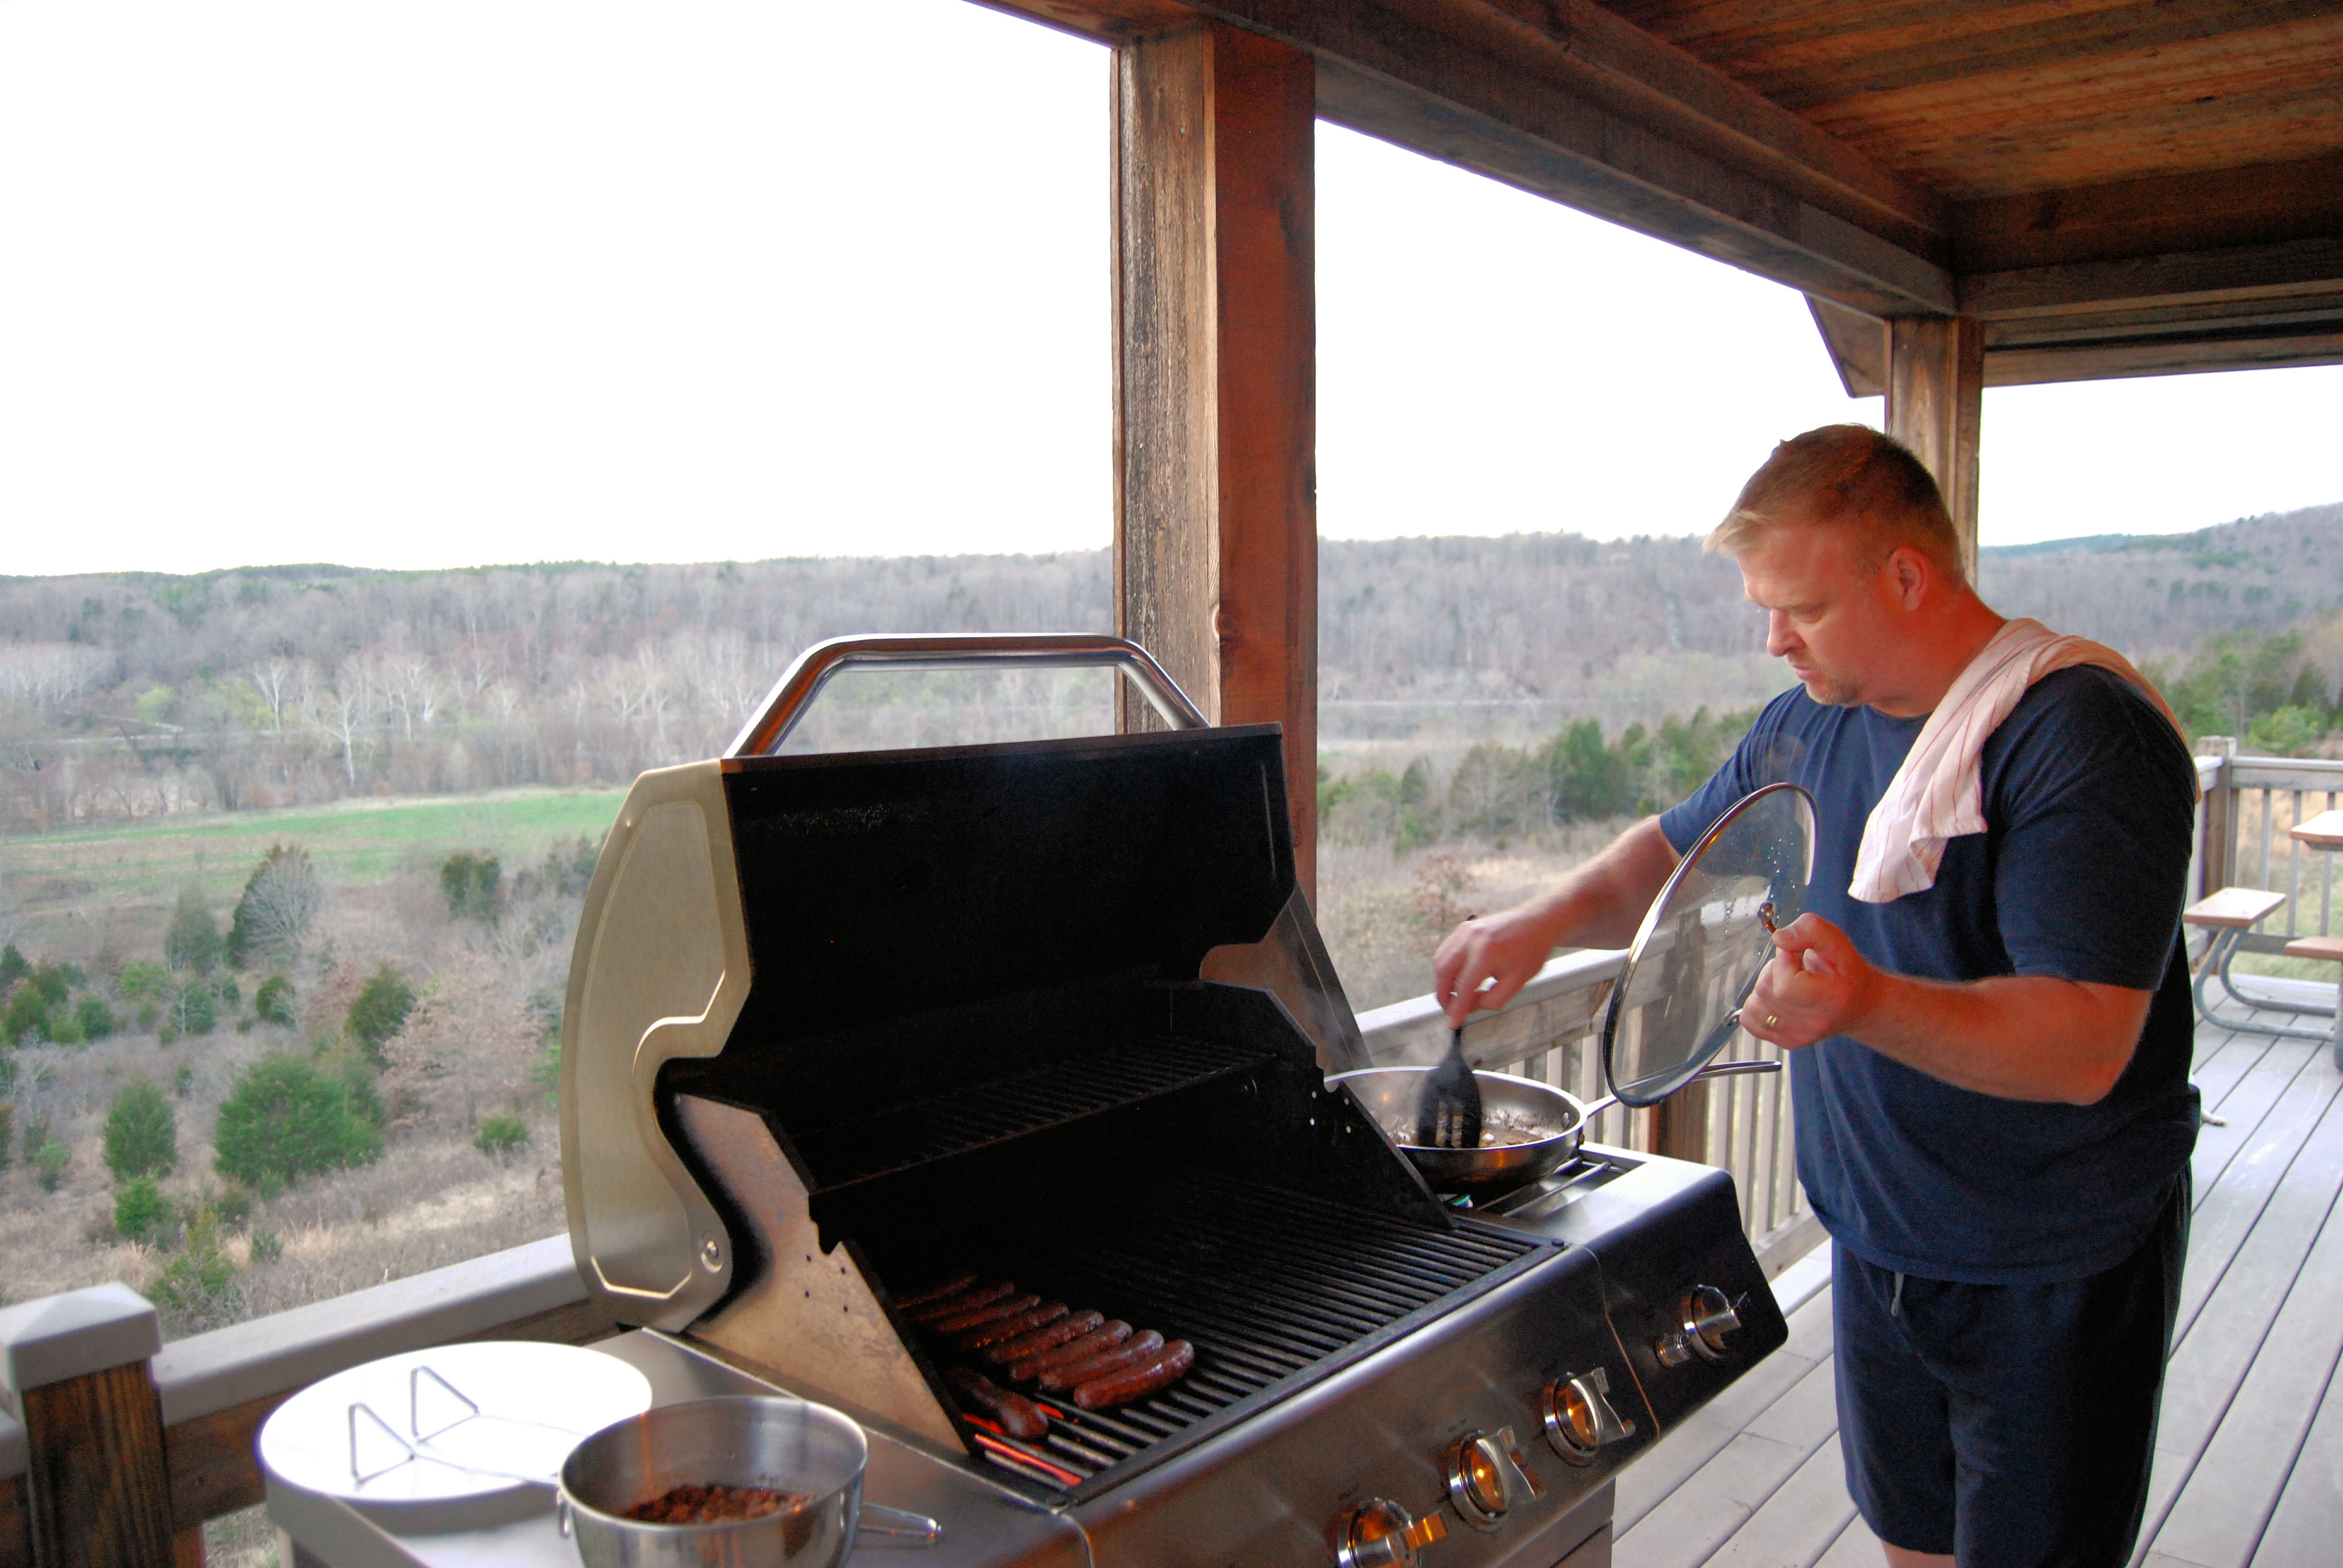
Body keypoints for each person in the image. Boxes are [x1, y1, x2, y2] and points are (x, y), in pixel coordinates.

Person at [1434, 425, 2198, 1568]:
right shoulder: (1810, 720)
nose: (1775, 639)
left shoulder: (2076, 731)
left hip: (2049, 1263)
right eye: (1764, 609)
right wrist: (1541, 923)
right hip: (1880, 1239)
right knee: (1915, 1549)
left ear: (1905, 573)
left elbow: (2086, 1043)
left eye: (1801, 607)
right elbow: (1677, 850)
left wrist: (1867, 1004)